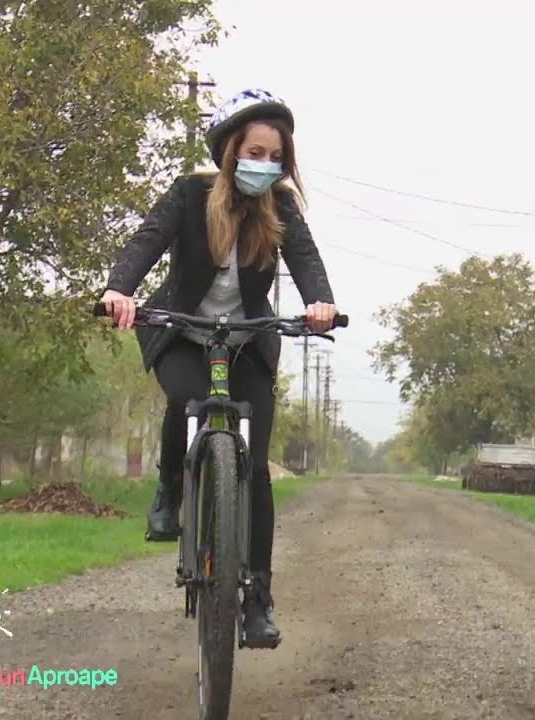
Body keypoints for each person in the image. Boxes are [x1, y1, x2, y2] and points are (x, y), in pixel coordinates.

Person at [99, 87, 340, 649]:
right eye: (254, 152)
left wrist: (320, 302)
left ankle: (257, 598)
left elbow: (305, 259)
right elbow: (147, 240)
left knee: (254, 470)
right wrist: (119, 289)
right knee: (184, 401)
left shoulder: (280, 207)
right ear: (230, 150)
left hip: (247, 340)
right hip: (182, 328)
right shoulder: (189, 194)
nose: (265, 164)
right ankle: (168, 492)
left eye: (275, 156)